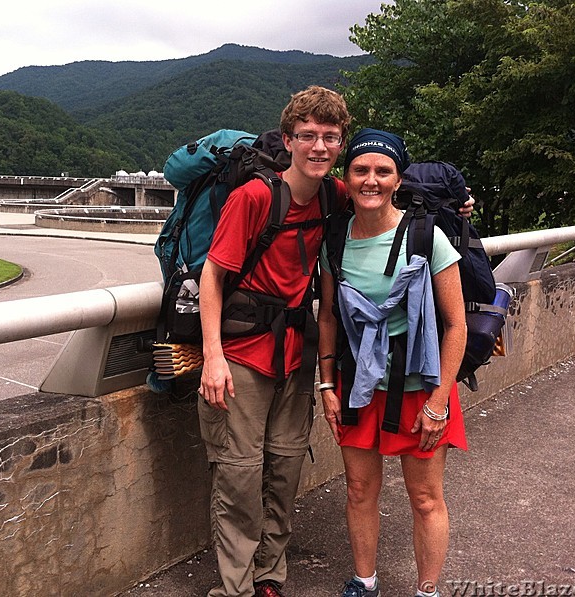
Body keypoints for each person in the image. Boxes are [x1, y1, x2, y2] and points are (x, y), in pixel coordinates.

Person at [197, 85, 351, 597]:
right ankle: (234, 588)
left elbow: (386, 197)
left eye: (330, 137)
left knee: (284, 471)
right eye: (308, 136)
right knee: (239, 477)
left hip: (294, 354)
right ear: (288, 141)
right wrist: (212, 358)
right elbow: (213, 279)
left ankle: (270, 576)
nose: (319, 147)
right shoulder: (256, 197)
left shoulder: (332, 195)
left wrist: (454, 207)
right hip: (241, 353)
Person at [316, 129, 469, 597]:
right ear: (346, 177)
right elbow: (327, 316)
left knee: (424, 498)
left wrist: (440, 401)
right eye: (361, 169)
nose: (371, 180)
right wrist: (326, 385)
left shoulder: (427, 237)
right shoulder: (336, 241)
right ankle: (365, 581)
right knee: (360, 491)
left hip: (421, 383)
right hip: (358, 382)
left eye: (383, 171)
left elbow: (456, 325)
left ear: (398, 179)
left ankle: (427, 591)